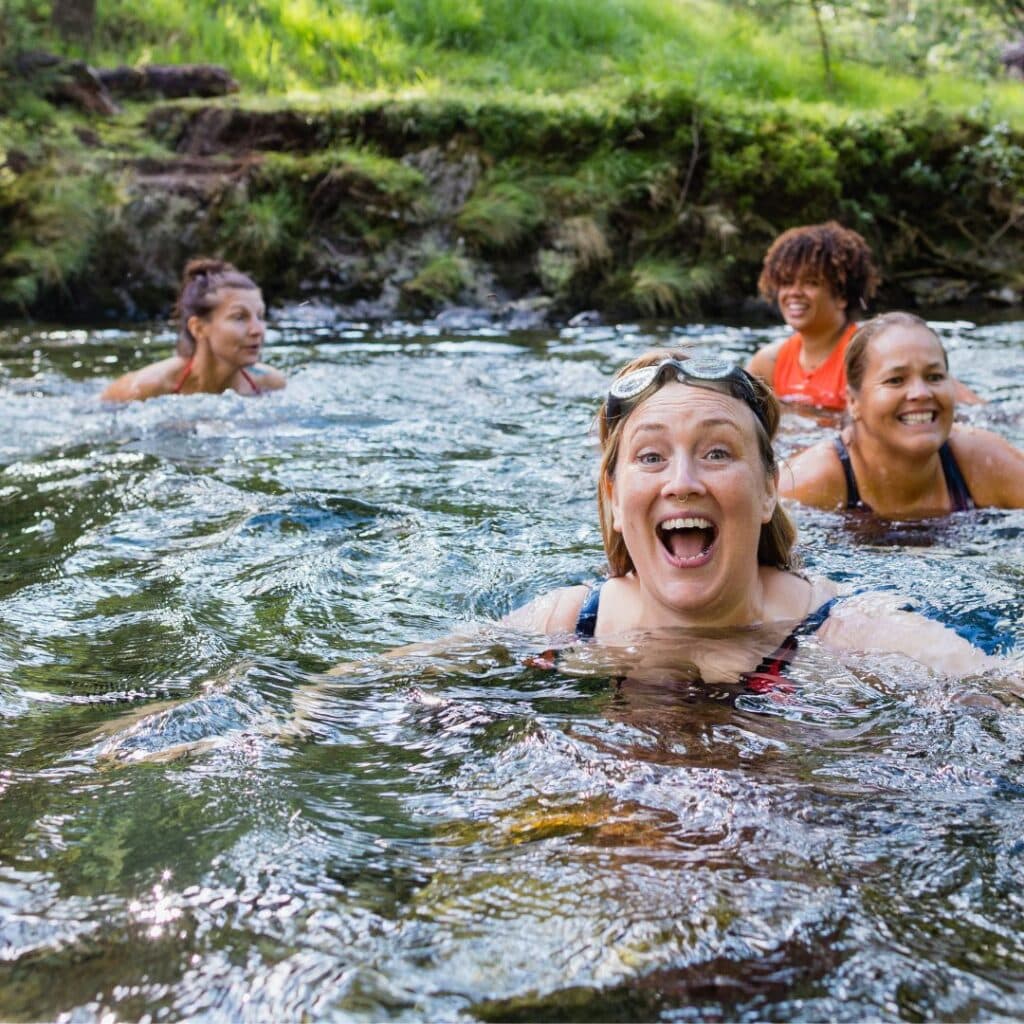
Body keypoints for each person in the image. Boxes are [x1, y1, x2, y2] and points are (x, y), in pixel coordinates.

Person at [494, 348, 999, 682]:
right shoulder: (568, 622)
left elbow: (999, 687)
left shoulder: (847, 632)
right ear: (614, 500)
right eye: (651, 457)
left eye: (717, 453)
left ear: (768, 490)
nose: (683, 482)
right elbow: (419, 682)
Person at [779, 312, 1024, 518]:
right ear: (853, 401)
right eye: (895, 380)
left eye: (934, 377)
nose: (921, 393)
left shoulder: (985, 462)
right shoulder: (805, 488)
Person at [746, 222, 979, 409]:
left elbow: (968, 407)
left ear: (842, 295)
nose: (794, 293)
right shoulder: (768, 363)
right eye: (786, 282)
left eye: (811, 282)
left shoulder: (874, 354)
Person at [101, 258, 286, 402]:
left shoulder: (271, 384)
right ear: (198, 328)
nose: (258, 330)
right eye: (239, 317)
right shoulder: (147, 387)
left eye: (260, 316)